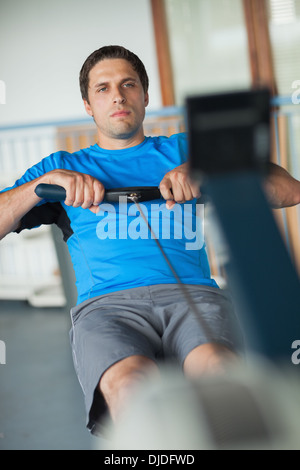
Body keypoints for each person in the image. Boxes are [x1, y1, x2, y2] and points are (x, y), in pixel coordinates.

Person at [0, 45, 299, 436]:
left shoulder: (185, 150)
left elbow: (288, 190)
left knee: (220, 376)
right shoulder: (62, 168)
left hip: (193, 296)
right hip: (108, 307)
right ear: (89, 105)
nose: (118, 96)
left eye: (128, 84)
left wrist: (206, 172)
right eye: (103, 88)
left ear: (145, 95)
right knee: (130, 387)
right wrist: (41, 187)